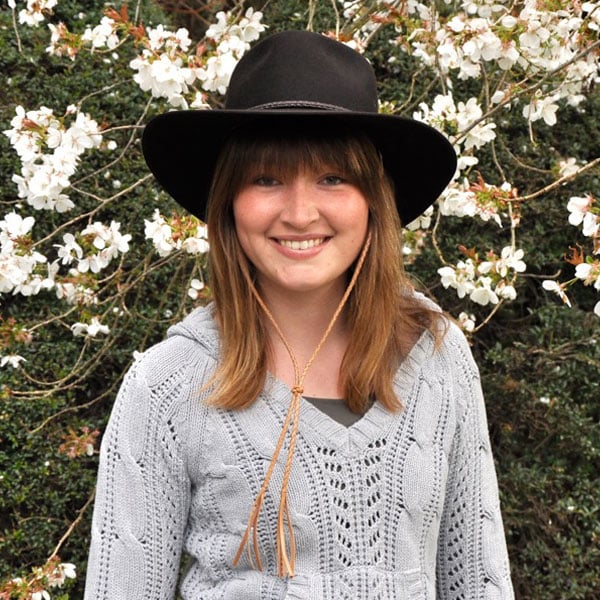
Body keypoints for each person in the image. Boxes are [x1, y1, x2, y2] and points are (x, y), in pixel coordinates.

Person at [84, 30, 514, 600]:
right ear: (229, 202)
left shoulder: (436, 357)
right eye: (266, 179)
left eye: (332, 178)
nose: (300, 212)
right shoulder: (166, 387)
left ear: (372, 201)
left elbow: (477, 577)